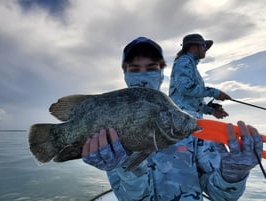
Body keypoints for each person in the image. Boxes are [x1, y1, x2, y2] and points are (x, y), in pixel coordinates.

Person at [82, 37, 263, 201]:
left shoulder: (192, 126)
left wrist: (232, 175)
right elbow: (130, 198)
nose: (143, 77)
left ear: (161, 75)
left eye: (152, 68)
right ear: (125, 75)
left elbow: (220, 196)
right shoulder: (111, 131)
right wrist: (126, 170)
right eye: (135, 69)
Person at [169, 33, 231, 119]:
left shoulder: (191, 65)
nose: (205, 49)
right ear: (193, 46)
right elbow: (185, 88)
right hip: (182, 119)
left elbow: (191, 101)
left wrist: (212, 110)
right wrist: (215, 93)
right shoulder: (184, 61)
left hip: (189, 119)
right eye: (204, 45)